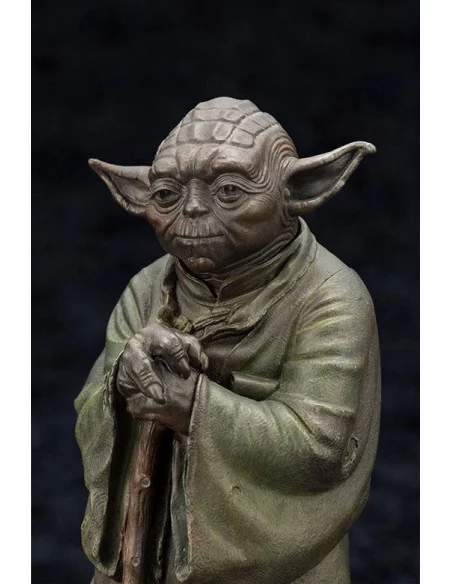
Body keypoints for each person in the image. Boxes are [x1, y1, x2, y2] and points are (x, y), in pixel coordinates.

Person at [75, 97, 380, 584]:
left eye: (230, 190)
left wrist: (193, 406)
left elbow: (319, 447)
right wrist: (122, 382)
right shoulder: (148, 288)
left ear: (298, 192)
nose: (193, 208)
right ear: (139, 197)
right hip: (147, 550)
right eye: (167, 194)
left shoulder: (330, 297)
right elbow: (92, 406)